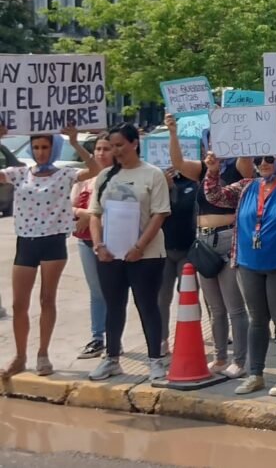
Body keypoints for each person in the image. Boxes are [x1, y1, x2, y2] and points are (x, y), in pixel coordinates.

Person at [204, 137, 276, 397]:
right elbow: (215, 195)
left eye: (269, 158)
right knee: (257, 320)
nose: (263, 164)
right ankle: (256, 374)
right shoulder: (246, 186)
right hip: (248, 264)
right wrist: (212, 170)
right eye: (258, 159)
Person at [0, 126, 100, 378]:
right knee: (19, 303)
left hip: (53, 241)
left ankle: (43, 354)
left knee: (47, 298)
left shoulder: (65, 174)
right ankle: (20, 356)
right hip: (26, 241)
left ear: (53, 148)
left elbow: (96, 169)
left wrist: (76, 143)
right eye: (36, 147)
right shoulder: (19, 173)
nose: (40, 152)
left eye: (45, 147)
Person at [165, 114, 251, 379]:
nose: (217, 145)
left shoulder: (238, 166)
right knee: (215, 307)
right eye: (212, 139)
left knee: (234, 305)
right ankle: (220, 357)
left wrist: (239, 130)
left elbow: (247, 162)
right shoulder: (201, 170)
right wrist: (172, 132)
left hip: (229, 240)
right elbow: (177, 163)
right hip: (204, 242)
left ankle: (240, 359)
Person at [87, 124, 171, 382]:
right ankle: (111, 358)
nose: (116, 151)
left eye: (120, 145)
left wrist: (138, 247)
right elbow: (94, 214)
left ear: (135, 143)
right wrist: (98, 245)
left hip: (146, 256)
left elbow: (160, 214)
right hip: (110, 255)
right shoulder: (105, 177)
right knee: (114, 306)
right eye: (112, 146)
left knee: (147, 306)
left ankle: (156, 361)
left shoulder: (152, 175)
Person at [71, 133, 114, 359]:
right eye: (98, 149)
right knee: (96, 291)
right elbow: (70, 206)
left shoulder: (118, 177)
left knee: (113, 291)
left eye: (106, 149)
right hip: (85, 241)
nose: (101, 154)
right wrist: (86, 214)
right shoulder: (85, 179)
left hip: (112, 241)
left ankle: (114, 339)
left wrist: (91, 216)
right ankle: (98, 338)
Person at [156, 167, 198, 356]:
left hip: (188, 249)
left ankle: (191, 337)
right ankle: (162, 339)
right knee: (162, 297)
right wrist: (165, 187)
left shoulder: (194, 182)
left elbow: (192, 209)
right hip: (164, 250)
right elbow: (157, 211)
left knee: (189, 295)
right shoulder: (159, 183)